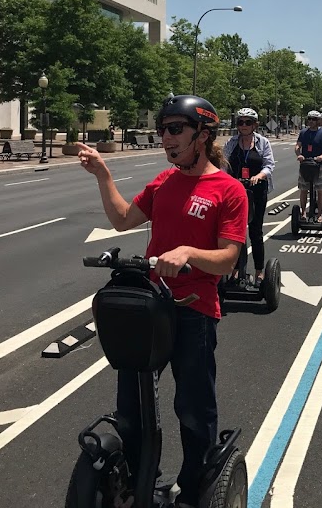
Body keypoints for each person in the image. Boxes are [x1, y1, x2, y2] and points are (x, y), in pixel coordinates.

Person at [76, 94, 246, 507]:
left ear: (202, 136)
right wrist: (103, 174)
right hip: (150, 311)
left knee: (193, 409)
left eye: (175, 130)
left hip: (194, 312)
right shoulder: (164, 182)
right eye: (163, 129)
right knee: (131, 409)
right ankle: (136, 485)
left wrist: (188, 253)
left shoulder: (228, 190)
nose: (165, 138)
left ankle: (192, 491)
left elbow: (228, 259)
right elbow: (121, 220)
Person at [223, 107, 275, 283]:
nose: (243, 125)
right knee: (235, 232)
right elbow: (223, 163)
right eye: (240, 122)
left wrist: (258, 176)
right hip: (235, 191)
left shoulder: (262, 143)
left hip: (257, 191)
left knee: (255, 231)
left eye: (248, 122)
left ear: (255, 125)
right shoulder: (232, 142)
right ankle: (236, 269)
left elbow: (269, 165)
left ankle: (259, 271)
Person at [295, 110, 322, 222]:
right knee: (303, 189)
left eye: (314, 119)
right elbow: (297, 146)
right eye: (309, 119)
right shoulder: (303, 132)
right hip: (305, 164)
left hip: (318, 165)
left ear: (319, 121)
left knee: (320, 190)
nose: (311, 121)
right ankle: (303, 213)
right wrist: (299, 154)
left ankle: (319, 214)